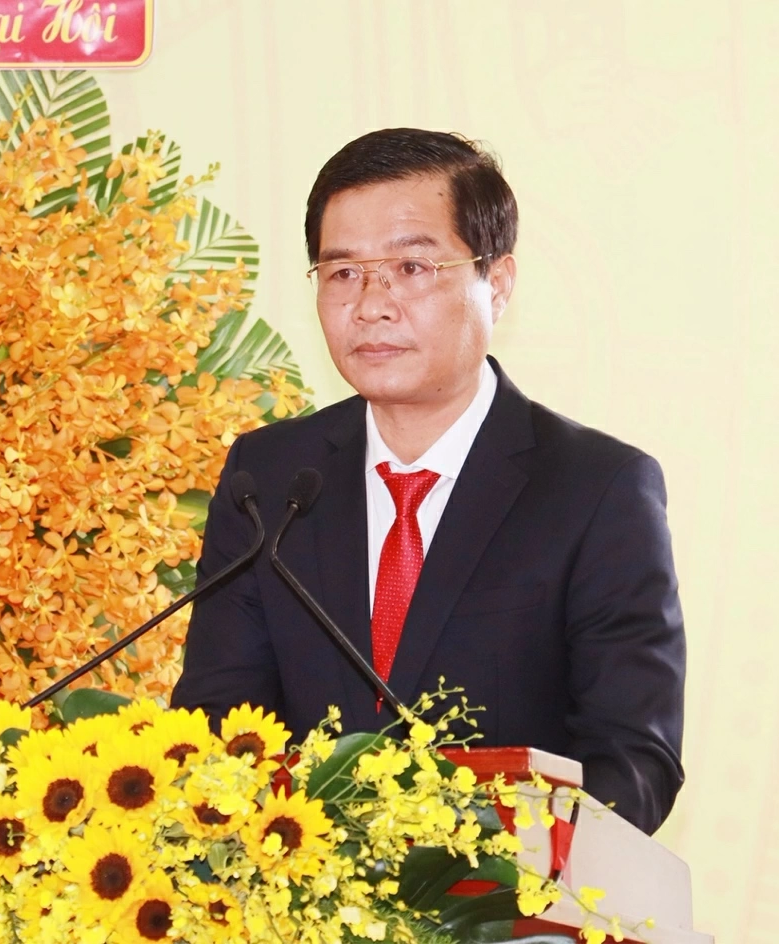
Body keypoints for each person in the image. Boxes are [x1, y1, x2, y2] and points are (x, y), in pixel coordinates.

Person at [170, 129, 685, 835]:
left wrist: (454, 856)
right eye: (343, 272)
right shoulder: (271, 478)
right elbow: (216, 720)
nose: (371, 304)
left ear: (496, 284)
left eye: (411, 268)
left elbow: (635, 764)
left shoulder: (597, 490)